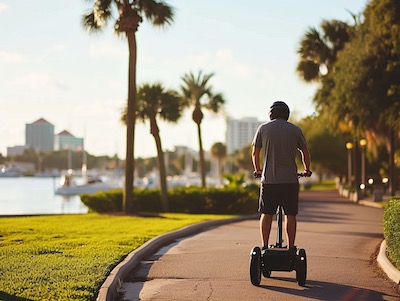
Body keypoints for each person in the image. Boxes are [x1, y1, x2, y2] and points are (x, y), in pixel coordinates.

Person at [251, 101, 312, 252]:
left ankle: (264, 245)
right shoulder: (295, 130)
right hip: (290, 181)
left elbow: (255, 152)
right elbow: (305, 152)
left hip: (269, 181)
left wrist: (258, 170)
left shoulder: (263, 129)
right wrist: (307, 169)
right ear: (287, 114)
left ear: (271, 114)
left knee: (266, 213)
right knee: (290, 214)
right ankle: (291, 247)